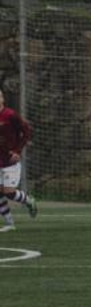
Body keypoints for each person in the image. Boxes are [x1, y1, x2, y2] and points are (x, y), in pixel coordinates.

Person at [0, 87, 38, 232]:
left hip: (10, 160)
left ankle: (29, 200)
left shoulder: (10, 115)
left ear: (2, 99)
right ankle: (9, 223)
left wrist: (17, 150)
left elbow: (27, 131)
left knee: (9, 192)